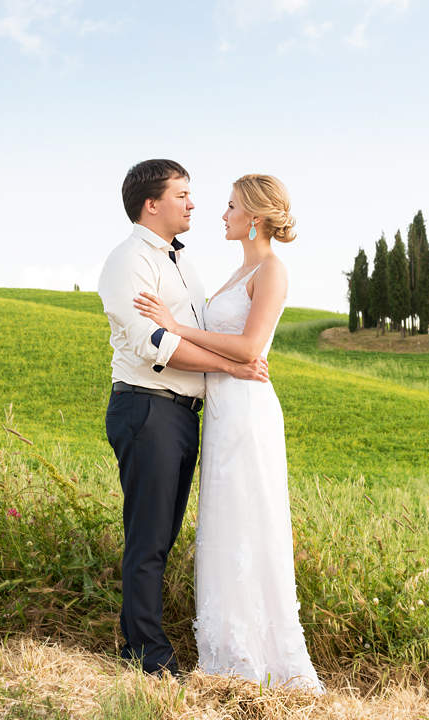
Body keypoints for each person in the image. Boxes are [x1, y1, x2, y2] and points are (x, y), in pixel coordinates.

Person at [133, 173, 324, 693]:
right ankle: (224, 652)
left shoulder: (272, 270)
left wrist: (174, 326)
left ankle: (258, 655)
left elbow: (248, 348)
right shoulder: (239, 271)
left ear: (255, 218)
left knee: (249, 519)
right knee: (223, 522)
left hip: (247, 410)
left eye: (231, 206)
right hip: (222, 407)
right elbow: (229, 350)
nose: (221, 213)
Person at [98, 159, 270, 677]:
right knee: (148, 536)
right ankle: (146, 656)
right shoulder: (129, 261)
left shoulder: (180, 263)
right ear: (152, 204)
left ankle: (142, 641)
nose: (193, 204)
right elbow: (157, 343)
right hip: (147, 406)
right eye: (182, 195)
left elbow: (188, 328)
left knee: (161, 535)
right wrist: (231, 365)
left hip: (179, 415)